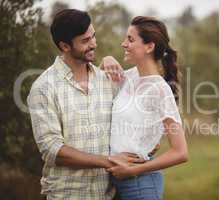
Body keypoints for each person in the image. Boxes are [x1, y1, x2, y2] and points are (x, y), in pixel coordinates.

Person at [27, 9, 139, 200]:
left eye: (93, 36)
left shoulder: (106, 81)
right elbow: (53, 150)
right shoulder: (44, 88)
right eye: (85, 41)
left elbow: (132, 119)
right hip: (67, 195)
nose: (94, 43)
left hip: (108, 195)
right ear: (64, 46)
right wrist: (109, 161)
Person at [105, 16, 188, 200]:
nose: (123, 43)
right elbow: (97, 81)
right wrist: (107, 59)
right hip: (114, 182)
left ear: (149, 47)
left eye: (130, 39)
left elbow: (180, 152)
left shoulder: (159, 90)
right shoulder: (129, 77)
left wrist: (134, 170)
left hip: (140, 184)